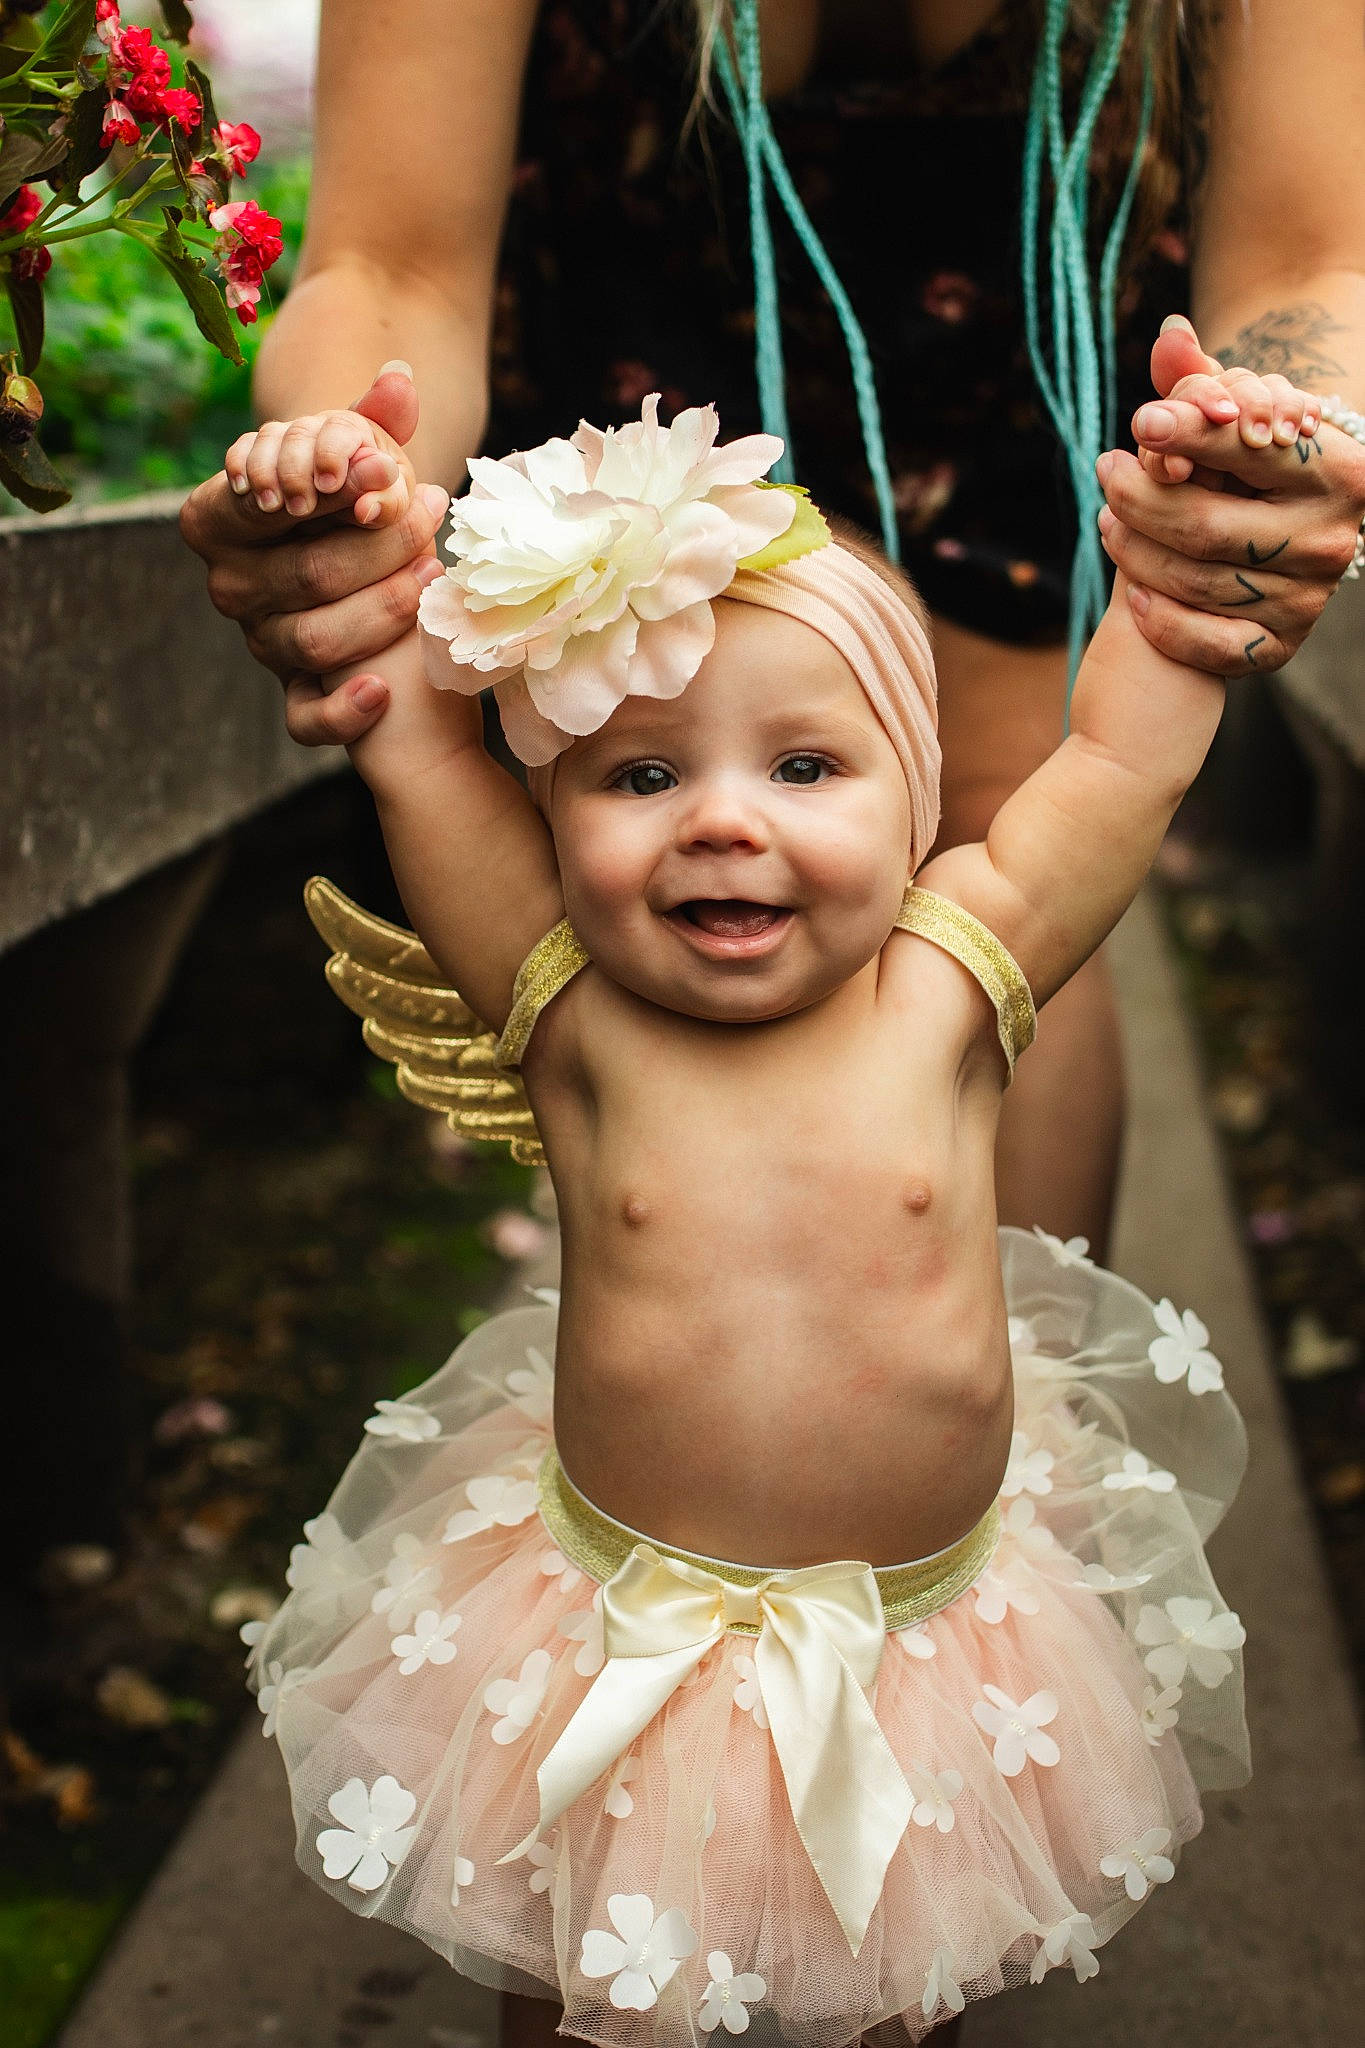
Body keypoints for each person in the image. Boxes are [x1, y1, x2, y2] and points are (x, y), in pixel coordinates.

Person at [237, 381, 1291, 2043]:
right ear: (557, 819)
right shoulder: (577, 1010)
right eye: (640, 771)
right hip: (622, 1624)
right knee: (590, 1969)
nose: (725, 817)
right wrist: (350, 531)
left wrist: (1186, 572)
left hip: (918, 1636)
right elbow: (417, 749)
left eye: (807, 763)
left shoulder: (951, 979)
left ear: (919, 790)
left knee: (898, 1971)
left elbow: (1120, 759)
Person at [179, 0, 1365, 1259]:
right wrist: (355, 495)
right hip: (632, 373)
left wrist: (1282, 444)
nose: (733, 826)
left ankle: (1035, 1399)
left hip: (1010, 321)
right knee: (639, 846)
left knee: (1014, 824)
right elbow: (392, 263)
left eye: (790, 777)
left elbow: (1310, 256)